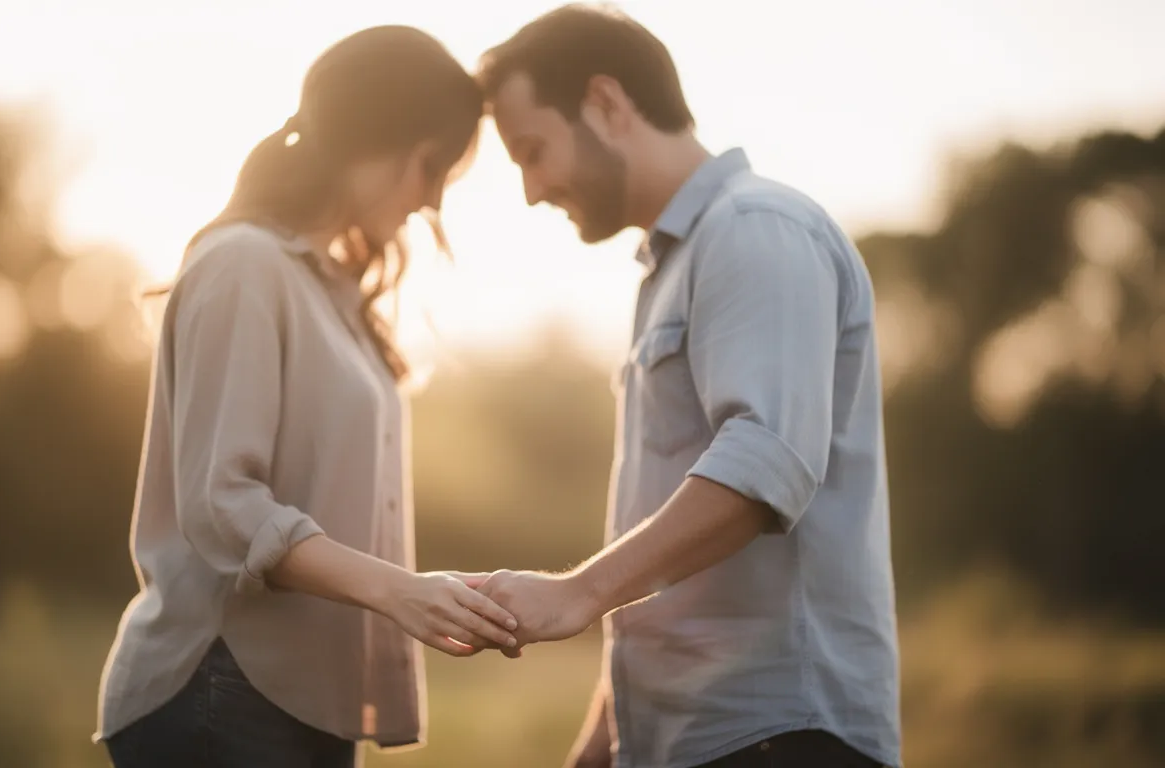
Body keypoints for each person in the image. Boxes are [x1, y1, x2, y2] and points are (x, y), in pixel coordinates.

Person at [460, 5, 902, 768]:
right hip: (690, 742)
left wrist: (575, 594)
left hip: (780, 738)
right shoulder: (672, 268)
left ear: (606, 103)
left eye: (533, 151)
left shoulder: (755, 227)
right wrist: (600, 746)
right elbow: (673, 570)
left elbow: (764, 465)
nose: (531, 190)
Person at [94, 25, 520, 768]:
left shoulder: (330, 290)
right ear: (377, 137)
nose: (430, 200)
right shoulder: (243, 265)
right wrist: (400, 592)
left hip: (298, 702)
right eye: (430, 167)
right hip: (222, 691)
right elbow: (222, 503)